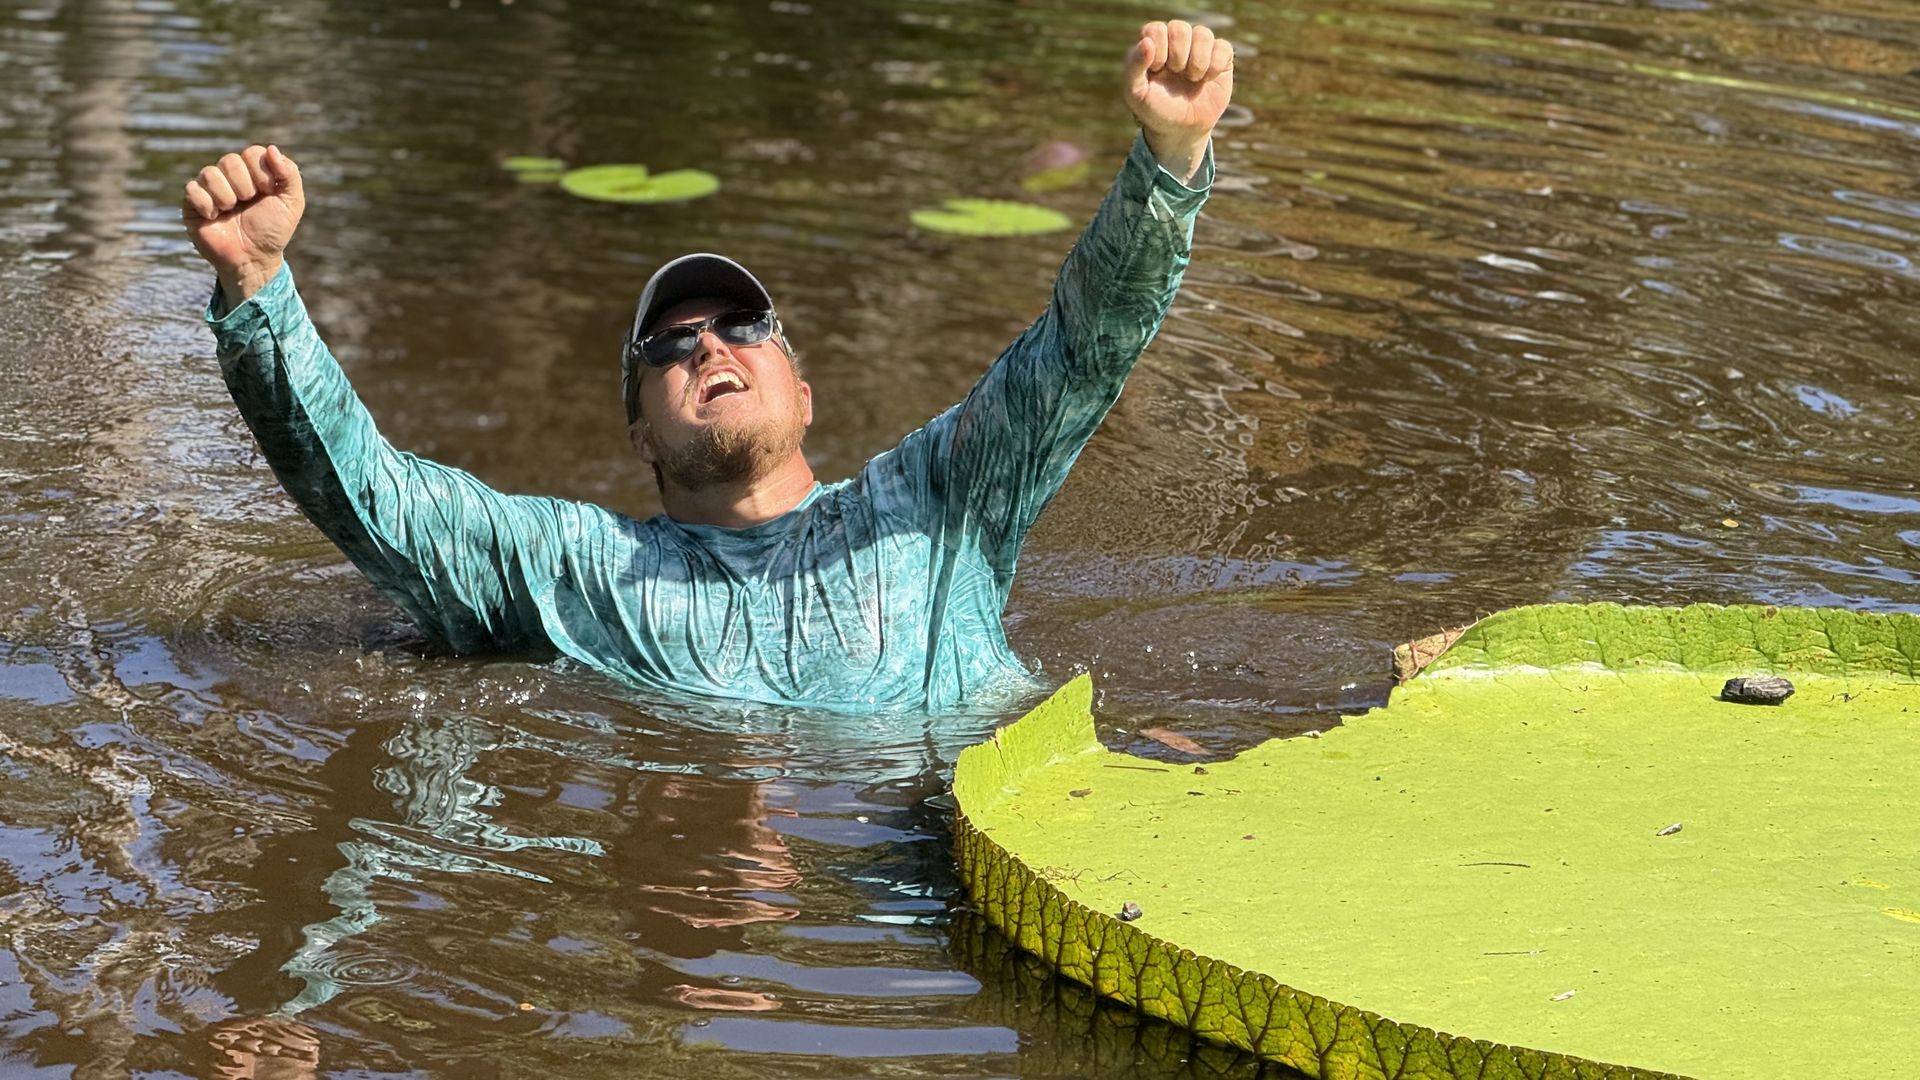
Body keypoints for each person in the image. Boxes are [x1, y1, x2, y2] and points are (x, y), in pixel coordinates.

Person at [184, 21, 1232, 713]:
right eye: (670, 345)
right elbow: (377, 498)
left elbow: (1083, 348)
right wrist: (259, 290)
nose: (709, 345)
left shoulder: (937, 500)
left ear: (804, 391)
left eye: (740, 324)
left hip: (968, 868)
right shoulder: (586, 571)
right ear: (639, 431)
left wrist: (1169, 163)